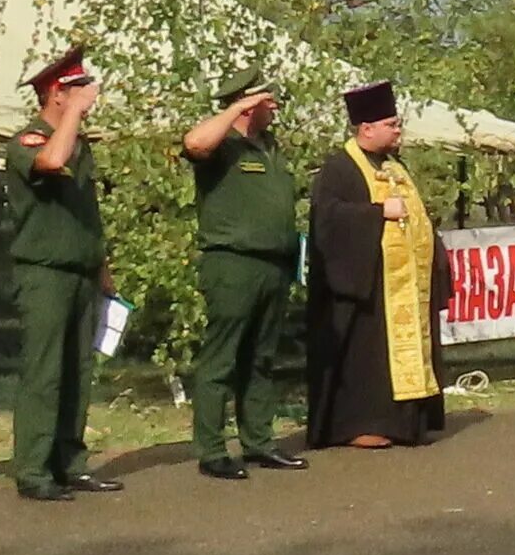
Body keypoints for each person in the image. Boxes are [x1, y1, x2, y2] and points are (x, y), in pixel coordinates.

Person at [2, 46, 121, 501]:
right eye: (77, 89)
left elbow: (85, 211)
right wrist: (72, 112)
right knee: (44, 371)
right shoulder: (28, 141)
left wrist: (102, 265)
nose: (89, 96)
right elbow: (50, 162)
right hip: (44, 273)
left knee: (78, 369)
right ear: (55, 93)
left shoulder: (79, 144)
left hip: (81, 271)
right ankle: (33, 470)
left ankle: (70, 462)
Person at [178, 72, 307, 479]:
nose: (276, 107)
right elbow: (193, 143)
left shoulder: (268, 146)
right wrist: (234, 108)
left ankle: (258, 441)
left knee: (261, 358)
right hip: (233, 262)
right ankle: (212, 449)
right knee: (222, 357)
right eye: (269, 101)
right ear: (248, 104)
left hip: (274, 264)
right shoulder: (222, 145)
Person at [306, 81, 444, 448]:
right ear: (366, 128)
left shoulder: (395, 167)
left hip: (398, 282)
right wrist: (377, 213)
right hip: (362, 282)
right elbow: (327, 218)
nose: (399, 131)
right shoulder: (340, 168)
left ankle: (405, 422)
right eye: (392, 125)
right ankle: (358, 425)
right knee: (365, 356)